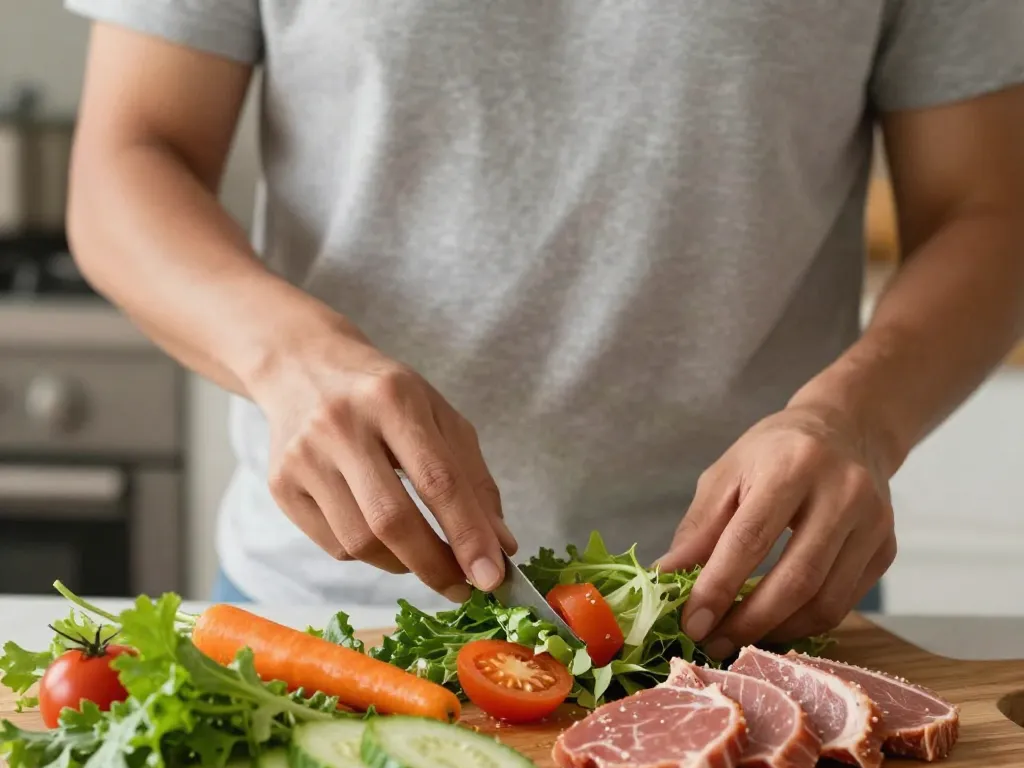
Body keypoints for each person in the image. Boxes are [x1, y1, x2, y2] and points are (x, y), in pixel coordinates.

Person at [64, 2, 1024, 661]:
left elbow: (988, 210)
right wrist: (288, 357)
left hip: (766, 610)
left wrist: (853, 419)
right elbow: (127, 156)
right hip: (321, 616)